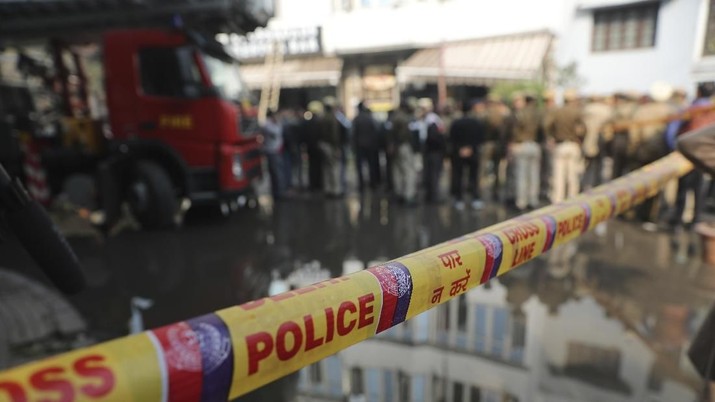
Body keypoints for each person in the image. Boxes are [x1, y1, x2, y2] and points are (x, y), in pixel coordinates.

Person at [666, 82, 715, 228]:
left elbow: (675, 136)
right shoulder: (712, 110)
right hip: (708, 157)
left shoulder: (690, 109)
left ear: (698, 92)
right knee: (699, 190)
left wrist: (673, 149)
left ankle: (678, 222)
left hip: (687, 156)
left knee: (683, 190)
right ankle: (695, 221)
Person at [545, 89, 585, 203]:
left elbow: (547, 125)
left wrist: (552, 136)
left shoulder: (557, 111)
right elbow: (583, 129)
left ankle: (557, 199)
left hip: (560, 145)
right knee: (572, 175)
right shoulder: (577, 112)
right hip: (573, 145)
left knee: (558, 175)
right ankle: (572, 198)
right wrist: (580, 140)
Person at [508, 94, 542, 211]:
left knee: (521, 175)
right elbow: (543, 129)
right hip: (534, 144)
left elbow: (514, 130)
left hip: (521, 144)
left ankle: (521, 201)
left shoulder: (519, 113)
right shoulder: (538, 113)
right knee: (534, 174)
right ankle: (533, 200)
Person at [449, 100, 484, 210]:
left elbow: (451, 138)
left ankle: (459, 198)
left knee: (458, 176)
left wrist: (460, 148)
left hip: (458, 153)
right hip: (473, 152)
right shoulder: (477, 122)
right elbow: (481, 137)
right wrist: (471, 148)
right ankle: (475, 197)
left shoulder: (456, 122)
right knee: (473, 176)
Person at [388, 101, 418, 205]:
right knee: (409, 171)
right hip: (404, 146)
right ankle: (408, 196)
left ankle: (399, 193)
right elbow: (406, 135)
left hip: (395, 147)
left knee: (397, 172)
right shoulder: (405, 118)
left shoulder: (394, 117)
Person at [418, 98, 447, 203]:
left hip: (432, 151)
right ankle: (432, 196)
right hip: (431, 151)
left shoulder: (432, 119)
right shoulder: (429, 119)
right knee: (431, 174)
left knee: (432, 174)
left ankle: (432, 196)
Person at [581, 95, 612, 190]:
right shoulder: (606, 110)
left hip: (587, 139)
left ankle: (584, 185)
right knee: (599, 164)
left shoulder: (586, 109)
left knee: (586, 165)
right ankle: (596, 186)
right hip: (600, 139)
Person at [352, 101, 381, 192]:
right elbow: (377, 131)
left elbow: (352, 134)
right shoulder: (370, 118)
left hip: (359, 146)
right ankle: (373, 183)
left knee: (360, 167)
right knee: (371, 165)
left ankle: (361, 185)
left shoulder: (356, 119)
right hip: (371, 146)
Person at [318, 101, 343, 198]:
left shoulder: (321, 119)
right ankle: (336, 190)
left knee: (326, 168)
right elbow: (334, 135)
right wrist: (336, 147)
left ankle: (327, 188)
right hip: (331, 146)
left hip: (323, 145)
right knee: (335, 167)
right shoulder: (333, 119)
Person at [261, 110, 285, 200]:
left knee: (278, 172)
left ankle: (279, 191)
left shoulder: (276, 123)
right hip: (271, 151)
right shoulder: (267, 125)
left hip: (277, 150)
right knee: (275, 173)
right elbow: (275, 133)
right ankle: (277, 193)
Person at [302, 101, 324, 193]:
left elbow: (304, 136)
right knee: (319, 167)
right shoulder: (320, 122)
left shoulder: (307, 123)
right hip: (318, 148)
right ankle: (319, 184)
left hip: (310, 148)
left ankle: (313, 184)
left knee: (311, 167)